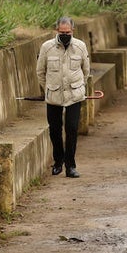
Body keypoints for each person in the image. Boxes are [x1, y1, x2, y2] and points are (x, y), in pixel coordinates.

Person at [36, 16, 90, 178]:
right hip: (54, 94)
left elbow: (85, 70)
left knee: (72, 129)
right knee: (54, 130)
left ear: (72, 31)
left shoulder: (80, 47)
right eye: (62, 32)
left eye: (68, 32)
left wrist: (79, 87)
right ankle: (58, 161)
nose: (65, 34)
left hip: (74, 95)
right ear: (57, 31)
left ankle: (71, 166)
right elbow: (40, 72)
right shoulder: (47, 47)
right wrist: (49, 87)